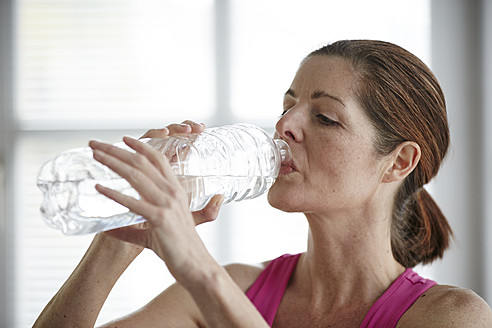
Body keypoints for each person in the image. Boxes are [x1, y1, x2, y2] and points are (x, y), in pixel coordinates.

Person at [33, 40, 492, 327]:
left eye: (326, 117)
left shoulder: (450, 316)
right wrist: (120, 236)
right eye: (287, 106)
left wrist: (196, 266)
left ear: (399, 162)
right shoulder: (239, 286)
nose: (285, 125)